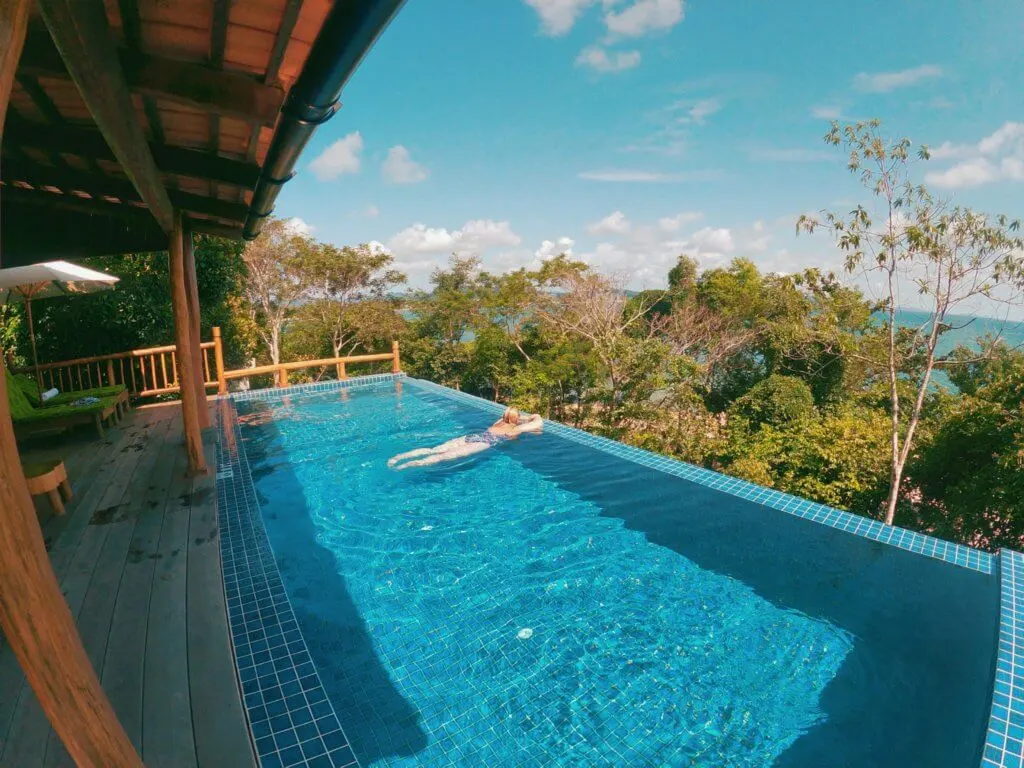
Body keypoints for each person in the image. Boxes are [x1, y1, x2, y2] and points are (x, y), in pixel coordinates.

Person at [388, 407, 543, 470]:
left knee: (433, 450)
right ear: (517, 418)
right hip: (484, 443)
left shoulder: (499, 421)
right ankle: (408, 465)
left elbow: (510, 416)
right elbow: (538, 423)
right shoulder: (515, 428)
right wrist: (532, 416)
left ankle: (399, 457)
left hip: (474, 437)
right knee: (443, 457)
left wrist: (518, 416)